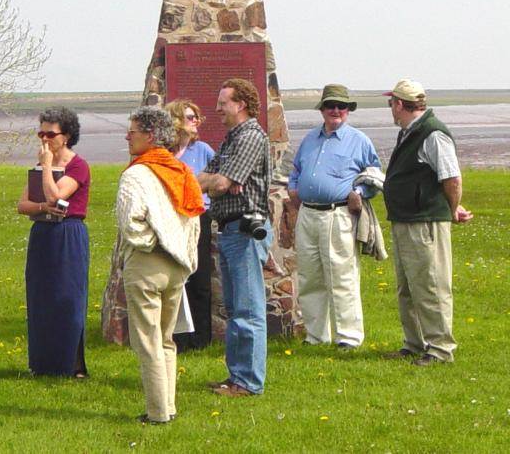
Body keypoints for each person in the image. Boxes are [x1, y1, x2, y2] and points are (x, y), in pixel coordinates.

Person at [117, 106, 202, 424]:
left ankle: (156, 413)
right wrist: (182, 252)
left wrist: (150, 244)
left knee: (148, 340)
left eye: (133, 131)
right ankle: (169, 406)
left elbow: (130, 223)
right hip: (177, 265)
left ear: (150, 136)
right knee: (166, 338)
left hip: (147, 263)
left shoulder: (137, 174)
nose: (128, 136)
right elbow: (193, 219)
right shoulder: (180, 171)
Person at [382, 79, 473, 366]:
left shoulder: (432, 134)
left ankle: (440, 349)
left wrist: (451, 208)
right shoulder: (411, 132)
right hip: (407, 219)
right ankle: (414, 343)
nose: (391, 109)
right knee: (408, 286)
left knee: (431, 285)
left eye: (391, 103)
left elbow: (451, 178)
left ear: (399, 104)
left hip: (424, 223)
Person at [288, 84, 381, 350]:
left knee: (342, 276)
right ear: (322, 110)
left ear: (349, 110)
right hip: (308, 214)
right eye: (331, 106)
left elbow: (375, 176)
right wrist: (293, 188)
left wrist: (360, 192)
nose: (336, 111)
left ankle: (349, 338)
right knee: (309, 277)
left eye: (341, 106)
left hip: (337, 214)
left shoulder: (359, 140)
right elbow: (296, 169)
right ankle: (316, 336)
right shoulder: (309, 139)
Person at [198, 78, 272, 398]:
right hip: (229, 229)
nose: (217, 109)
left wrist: (220, 181)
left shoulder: (251, 137)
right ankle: (236, 376)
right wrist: (216, 181)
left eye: (223, 102)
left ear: (240, 104)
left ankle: (248, 382)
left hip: (244, 231)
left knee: (248, 310)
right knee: (234, 308)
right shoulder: (231, 139)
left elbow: (223, 182)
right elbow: (205, 178)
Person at [16, 107, 90, 377]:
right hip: (43, 234)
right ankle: (42, 363)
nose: (45, 140)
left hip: (68, 234)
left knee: (67, 298)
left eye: (51, 134)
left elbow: (58, 194)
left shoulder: (77, 166)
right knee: (41, 297)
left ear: (66, 136)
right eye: (41, 133)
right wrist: (41, 207)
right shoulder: (40, 165)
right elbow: (23, 205)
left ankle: (69, 364)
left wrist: (47, 167)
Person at [164, 99, 215, 351]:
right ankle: (176, 337)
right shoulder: (163, 154)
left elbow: (216, 180)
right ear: (175, 121)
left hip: (197, 219)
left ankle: (201, 339)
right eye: (189, 117)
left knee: (200, 280)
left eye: (196, 117)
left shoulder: (203, 150)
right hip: (170, 220)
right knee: (174, 279)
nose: (195, 122)